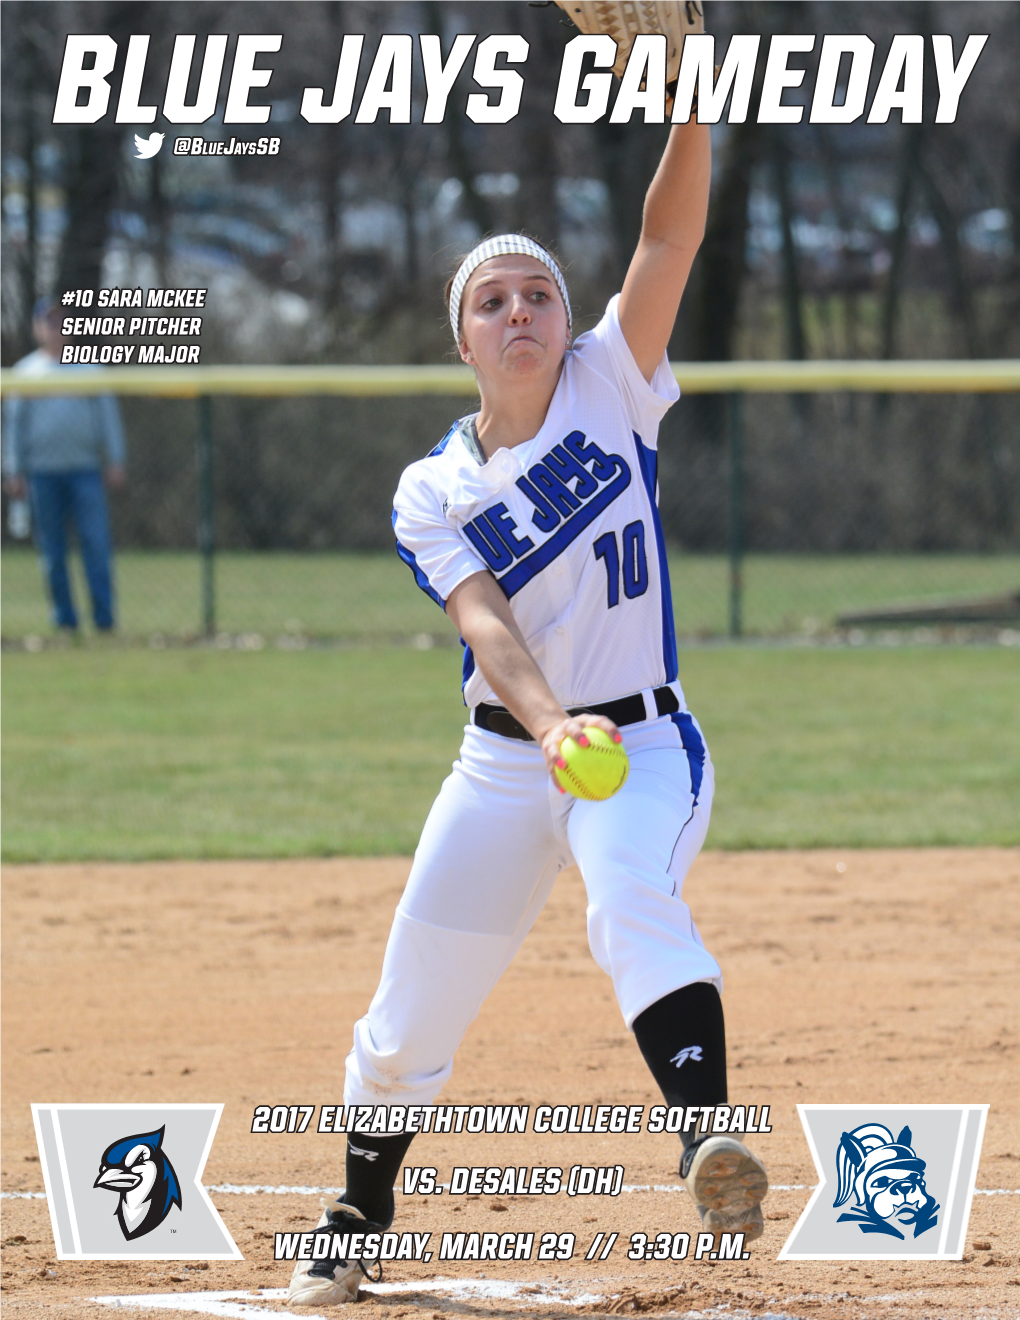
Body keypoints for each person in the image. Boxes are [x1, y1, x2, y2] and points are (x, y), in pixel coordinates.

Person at [289, 111, 768, 1308]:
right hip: (508, 763)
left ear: (567, 323)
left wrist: (690, 105)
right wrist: (551, 725)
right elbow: (485, 624)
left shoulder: (613, 380)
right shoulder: (432, 487)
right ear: (463, 336)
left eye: (538, 295)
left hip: (646, 743)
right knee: (406, 1016)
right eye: (492, 299)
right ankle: (359, 1205)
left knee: (628, 894)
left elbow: (670, 237)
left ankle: (707, 1141)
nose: (520, 313)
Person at [2, 298, 127, 633]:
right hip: (42, 475)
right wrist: (13, 470)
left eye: (63, 322)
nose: (57, 329)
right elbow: (14, 426)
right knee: (53, 552)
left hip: (85, 470)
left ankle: (104, 620)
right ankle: (64, 620)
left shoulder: (89, 369)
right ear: (37, 328)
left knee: (96, 544)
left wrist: (115, 459)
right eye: (50, 321)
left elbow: (107, 419)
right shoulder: (25, 372)